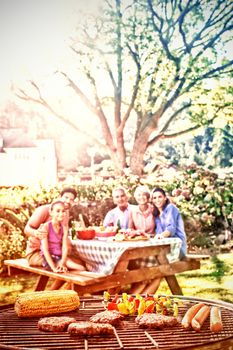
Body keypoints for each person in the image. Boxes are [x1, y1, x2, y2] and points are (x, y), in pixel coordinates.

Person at [24, 187, 79, 267]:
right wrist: (36, 233)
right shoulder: (44, 210)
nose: (68, 201)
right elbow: (26, 229)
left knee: (79, 262)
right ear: (59, 197)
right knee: (68, 265)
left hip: (55, 252)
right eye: (66, 197)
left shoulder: (65, 213)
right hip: (37, 252)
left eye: (71, 199)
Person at [40, 200, 85, 272]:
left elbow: (65, 247)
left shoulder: (64, 227)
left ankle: (70, 283)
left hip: (60, 257)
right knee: (80, 269)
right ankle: (70, 282)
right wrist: (53, 268)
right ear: (51, 213)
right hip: (49, 259)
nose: (61, 214)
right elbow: (45, 250)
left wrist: (62, 262)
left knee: (81, 267)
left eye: (63, 211)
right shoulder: (46, 227)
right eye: (58, 211)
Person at [151, 187, 187, 258]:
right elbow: (159, 233)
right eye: (154, 198)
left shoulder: (171, 208)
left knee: (157, 257)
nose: (157, 200)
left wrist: (161, 235)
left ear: (165, 198)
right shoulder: (157, 215)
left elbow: (171, 228)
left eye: (160, 197)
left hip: (177, 247)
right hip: (164, 247)